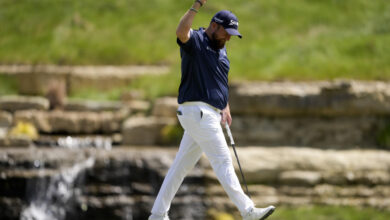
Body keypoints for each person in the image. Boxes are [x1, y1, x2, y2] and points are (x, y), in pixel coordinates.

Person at [148, 1, 275, 219]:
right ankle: (248, 211)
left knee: (180, 167)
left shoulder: (221, 51)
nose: (228, 38)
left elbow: (219, 81)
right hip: (198, 112)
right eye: (227, 32)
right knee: (223, 160)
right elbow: (181, 32)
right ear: (214, 25)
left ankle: (158, 214)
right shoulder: (196, 41)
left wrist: (224, 105)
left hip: (206, 114)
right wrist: (196, 5)